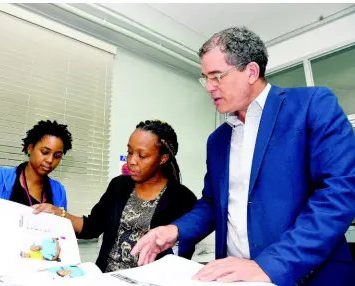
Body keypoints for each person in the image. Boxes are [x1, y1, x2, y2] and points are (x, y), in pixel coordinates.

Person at [131, 27, 355, 286]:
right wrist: (175, 230)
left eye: (216, 76)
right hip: (234, 279)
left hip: (310, 276)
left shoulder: (311, 105)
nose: (209, 87)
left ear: (251, 72)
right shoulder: (217, 140)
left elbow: (338, 194)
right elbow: (212, 203)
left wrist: (270, 265)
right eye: (205, 78)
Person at [32, 120, 197, 273]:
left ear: (163, 158)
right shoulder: (119, 186)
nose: (131, 161)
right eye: (129, 152)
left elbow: (181, 258)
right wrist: (58, 213)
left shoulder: (183, 199)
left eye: (142, 155)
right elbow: (93, 227)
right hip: (106, 277)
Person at [0, 120, 73, 281]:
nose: (50, 160)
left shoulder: (58, 192)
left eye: (57, 156)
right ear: (30, 147)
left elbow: (56, 240)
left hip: (36, 279)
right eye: (45, 152)